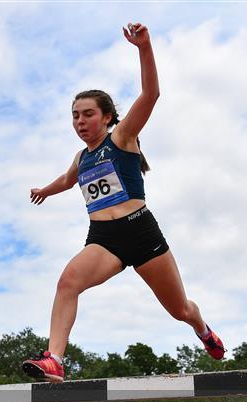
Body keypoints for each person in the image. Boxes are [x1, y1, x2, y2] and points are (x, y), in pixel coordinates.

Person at [22, 22, 225, 383]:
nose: (80, 121)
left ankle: (203, 329)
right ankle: (54, 358)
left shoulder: (123, 137)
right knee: (68, 281)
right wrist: (45, 190)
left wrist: (143, 48)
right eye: (75, 115)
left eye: (88, 114)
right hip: (104, 239)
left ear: (107, 117)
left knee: (179, 309)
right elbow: (68, 181)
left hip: (141, 232)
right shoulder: (81, 157)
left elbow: (151, 94)